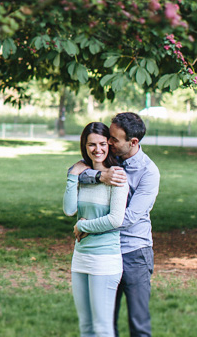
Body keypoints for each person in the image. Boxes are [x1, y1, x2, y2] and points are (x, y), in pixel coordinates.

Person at [76, 112, 160, 337]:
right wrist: (99, 177)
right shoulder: (108, 159)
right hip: (106, 252)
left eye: (113, 139)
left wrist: (88, 225)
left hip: (134, 253)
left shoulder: (149, 172)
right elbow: (75, 174)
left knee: (138, 324)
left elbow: (129, 218)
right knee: (104, 322)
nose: (107, 143)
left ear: (133, 142)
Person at [63, 121, 129, 337]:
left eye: (102, 143)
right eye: (92, 144)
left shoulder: (117, 176)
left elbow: (115, 220)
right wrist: (73, 175)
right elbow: (69, 209)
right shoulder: (84, 176)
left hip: (105, 259)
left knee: (101, 328)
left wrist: (84, 226)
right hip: (81, 257)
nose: (97, 149)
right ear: (85, 146)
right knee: (86, 327)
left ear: (109, 145)